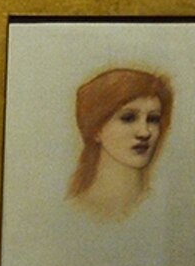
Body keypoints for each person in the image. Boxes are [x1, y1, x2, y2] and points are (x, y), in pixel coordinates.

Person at [64, 65, 174, 223]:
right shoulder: (76, 209)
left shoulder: (158, 205)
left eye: (153, 119)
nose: (144, 132)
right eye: (128, 118)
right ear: (96, 129)